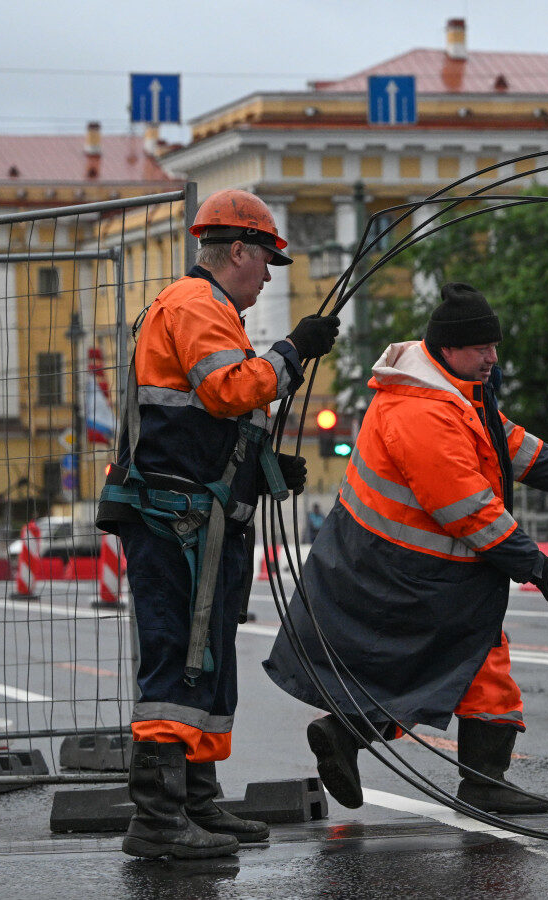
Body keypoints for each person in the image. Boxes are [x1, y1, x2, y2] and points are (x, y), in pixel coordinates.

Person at [262, 282, 548, 816]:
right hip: (406, 570)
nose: (494, 358)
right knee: (464, 661)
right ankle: (480, 782)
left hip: (407, 566)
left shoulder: (449, 388)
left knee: (426, 666)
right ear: (449, 349)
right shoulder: (421, 412)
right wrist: (529, 560)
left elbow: (500, 440)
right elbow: (464, 504)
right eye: (482, 349)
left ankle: (348, 735)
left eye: (493, 347)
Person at [97, 189, 340, 859]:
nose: (268, 274)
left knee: (201, 663)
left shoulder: (213, 310)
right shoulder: (197, 306)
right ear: (237, 251)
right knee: (178, 660)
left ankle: (196, 802)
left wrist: (266, 469)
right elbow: (227, 390)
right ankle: (158, 821)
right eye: (266, 260)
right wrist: (292, 352)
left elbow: (220, 419)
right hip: (176, 519)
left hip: (197, 518)